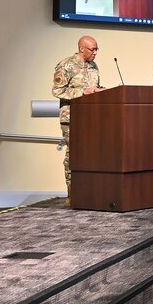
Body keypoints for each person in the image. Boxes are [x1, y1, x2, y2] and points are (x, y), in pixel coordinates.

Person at [52, 36, 106, 201]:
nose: (95, 53)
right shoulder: (66, 65)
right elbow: (57, 91)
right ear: (82, 48)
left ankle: (88, 190)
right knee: (74, 153)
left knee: (90, 152)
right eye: (92, 49)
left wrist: (99, 91)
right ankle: (72, 191)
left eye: (97, 49)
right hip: (72, 117)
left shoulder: (93, 66)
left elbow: (93, 88)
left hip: (90, 117)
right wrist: (82, 93)